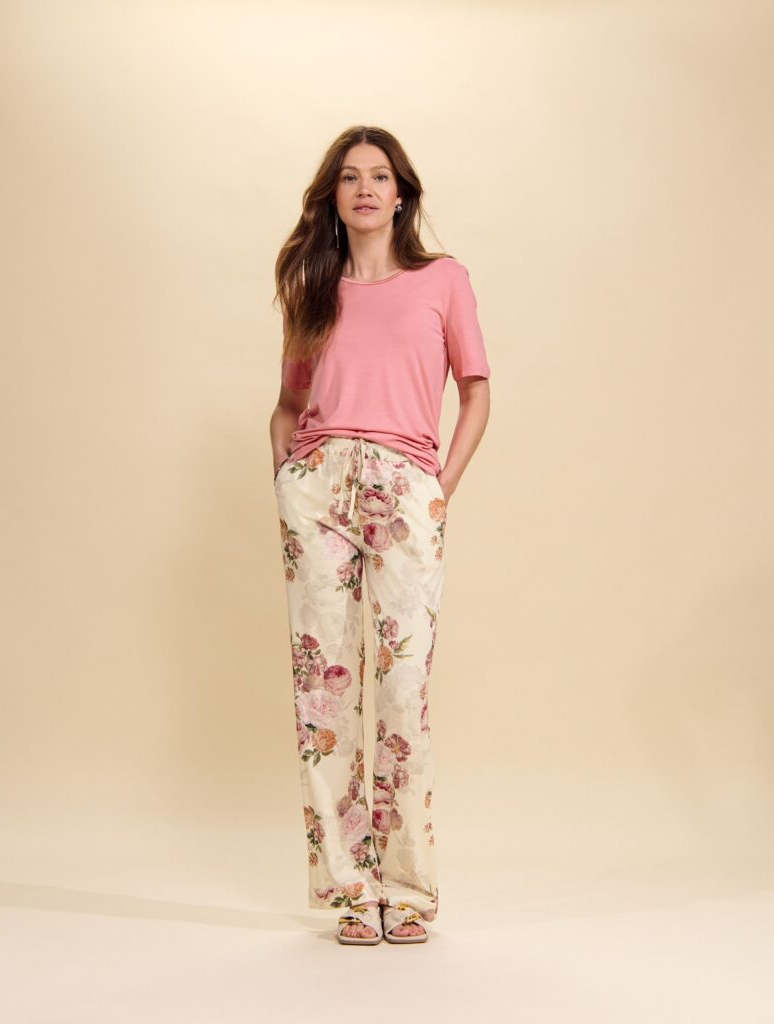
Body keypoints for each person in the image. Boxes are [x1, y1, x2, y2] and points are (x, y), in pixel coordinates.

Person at [269, 126, 491, 945]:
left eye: (380, 176)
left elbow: (475, 390)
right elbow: (287, 404)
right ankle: (347, 890)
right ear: (332, 196)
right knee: (323, 695)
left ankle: (405, 888)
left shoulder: (442, 280)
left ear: (401, 194)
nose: (365, 188)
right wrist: (287, 483)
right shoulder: (311, 284)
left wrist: (438, 488)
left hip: (405, 489)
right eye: (349, 177)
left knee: (402, 690)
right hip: (318, 487)